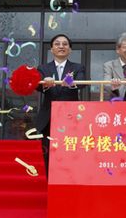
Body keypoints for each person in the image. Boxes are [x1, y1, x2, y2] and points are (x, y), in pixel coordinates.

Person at [36, 33, 85, 177]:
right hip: (49, 117)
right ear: (52, 49)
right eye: (57, 44)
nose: (61, 46)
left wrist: (70, 82)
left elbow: (82, 83)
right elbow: (37, 85)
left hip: (71, 117)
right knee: (47, 152)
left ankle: (70, 180)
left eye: (65, 44)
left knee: (70, 150)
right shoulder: (43, 68)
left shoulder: (77, 67)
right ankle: (49, 181)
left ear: (70, 49)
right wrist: (45, 84)